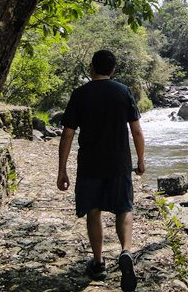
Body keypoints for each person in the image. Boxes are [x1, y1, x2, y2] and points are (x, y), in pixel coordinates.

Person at [56, 49, 145, 292]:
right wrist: (141, 160)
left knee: (93, 212)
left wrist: (62, 169)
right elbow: (136, 131)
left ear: (91, 68)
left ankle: (98, 263)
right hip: (119, 163)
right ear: (113, 70)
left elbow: (68, 134)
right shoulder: (123, 92)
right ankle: (126, 251)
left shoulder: (80, 94)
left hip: (90, 164)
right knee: (124, 208)